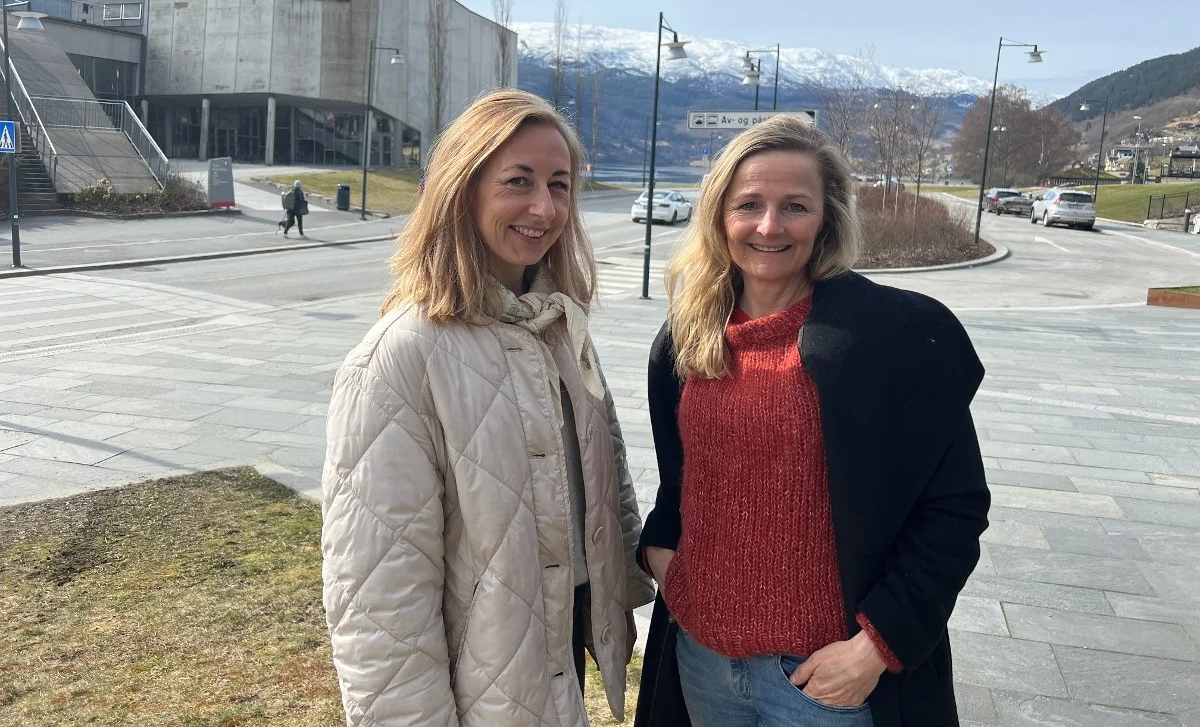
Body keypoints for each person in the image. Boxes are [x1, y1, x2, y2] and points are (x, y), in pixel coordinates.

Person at [634, 116, 989, 727]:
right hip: (705, 662)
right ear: (719, 215)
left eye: (795, 206)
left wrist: (877, 647)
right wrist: (665, 560)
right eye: (749, 204)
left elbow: (954, 507)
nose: (769, 226)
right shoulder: (687, 338)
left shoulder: (893, 336)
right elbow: (680, 485)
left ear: (827, 217)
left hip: (823, 682)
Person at [322, 89, 654, 726]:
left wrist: (621, 592)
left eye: (559, 185)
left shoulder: (558, 326)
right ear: (462, 188)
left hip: (555, 653)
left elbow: (604, 476)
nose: (544, 207)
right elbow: (379, 600)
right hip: (476, 683)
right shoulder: (400, 356)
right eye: (518, 181)